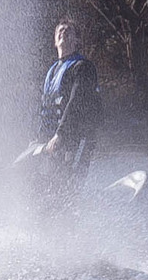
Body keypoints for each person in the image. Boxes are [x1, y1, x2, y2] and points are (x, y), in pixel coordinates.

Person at [33, 19, 102, 210]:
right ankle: (49, 222)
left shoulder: (83, 67)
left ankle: (70, 223)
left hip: (76, 140)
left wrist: (60, 134)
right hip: (53, 140)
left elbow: (76, 103)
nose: (64, 32)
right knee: (48, 186)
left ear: (77, 40)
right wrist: (39, 138)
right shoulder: (53, 70)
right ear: (55, 41)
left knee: (69, 187)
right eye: (60, 30)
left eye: (69, 31)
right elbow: (45, 108)